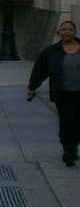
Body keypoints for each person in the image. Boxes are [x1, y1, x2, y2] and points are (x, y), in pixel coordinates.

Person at [28, 19, 80, 167]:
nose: (67, 32)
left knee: (77, 123)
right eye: (64, 29)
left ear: (75, 32)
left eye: (70, 29)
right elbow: (40, 70)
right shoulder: (51, 52)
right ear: (59, 32)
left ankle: (74, 145)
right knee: (66, 122)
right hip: (63, 94)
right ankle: (69, 151)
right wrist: (32, 87)